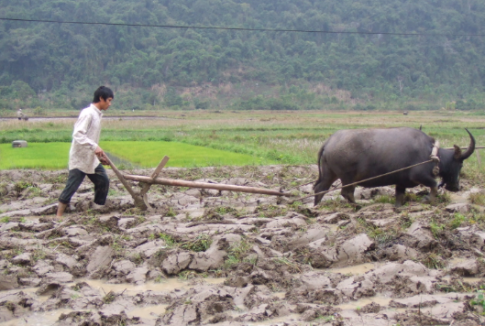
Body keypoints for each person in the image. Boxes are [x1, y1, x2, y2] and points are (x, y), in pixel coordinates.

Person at [56, 86, 114, 218]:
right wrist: (95, 147)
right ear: (101, 98)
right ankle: (58, 215)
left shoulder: (97, 115)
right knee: (72, 186)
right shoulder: (88, 113)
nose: (109, 104)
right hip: (80, 157)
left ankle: (97, 208)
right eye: (109, 100)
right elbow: (78, 134)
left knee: (103, 180)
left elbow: (91, 137)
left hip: (91, 158)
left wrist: (99, 155)